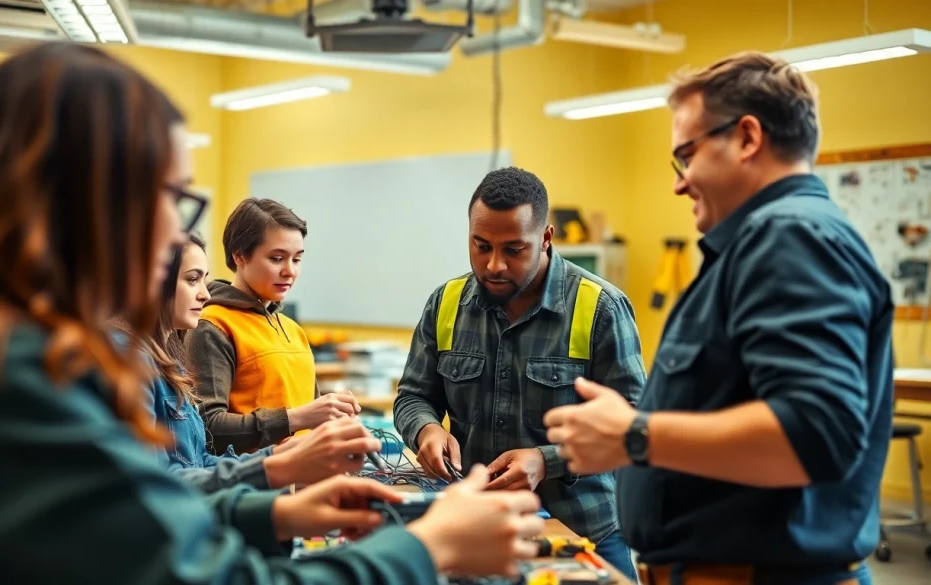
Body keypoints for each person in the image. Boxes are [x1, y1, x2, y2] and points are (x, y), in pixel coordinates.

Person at [0, 42, 546, 584]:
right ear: (88, 201)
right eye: (173, 197)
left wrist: (272, 511)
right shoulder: (0, 374)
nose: (177, 230)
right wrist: (426, 549)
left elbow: (136, 514)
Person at [544, 52, 893, 585]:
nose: (679, 184)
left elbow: (818, 431)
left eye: (687, 155)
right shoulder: (760, 244)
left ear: (748, 138)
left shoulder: (789, 236)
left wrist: (635, 435)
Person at [393, 166, 647, 580]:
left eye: (513, 250)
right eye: (481, 246)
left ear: (546, 238)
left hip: (582, 533)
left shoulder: (601, 309)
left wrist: (547, 461)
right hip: (475, 530)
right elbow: (413, 396)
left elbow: (631, 427)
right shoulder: (446, 303)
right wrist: (426, 431)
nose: (494, 265)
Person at [126, 234, 383, 492]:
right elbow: (155, 486)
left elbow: (199, 462)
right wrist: (278, 458)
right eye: (192, 279)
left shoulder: (169, 358)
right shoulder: (135, 361)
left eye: (297, 259)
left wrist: (278, 455)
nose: (204, 294)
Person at [187, 198, 360, 452]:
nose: (289, 271)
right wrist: (295, 418)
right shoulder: (213, 325)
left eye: (297, 259)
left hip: (307, 480)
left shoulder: (293, 330)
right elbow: (207, 428)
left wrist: (332, 418)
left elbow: (308, 415)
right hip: (255, 483)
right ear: (239, 256)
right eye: (277, 258)